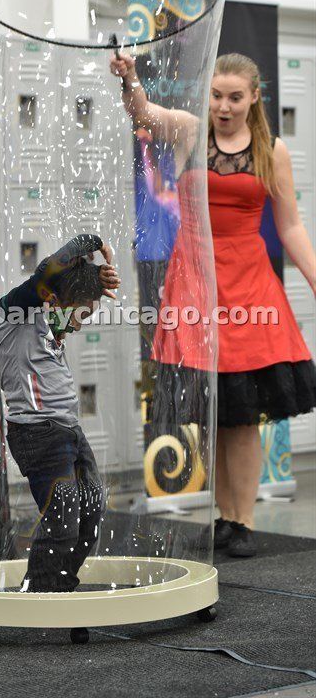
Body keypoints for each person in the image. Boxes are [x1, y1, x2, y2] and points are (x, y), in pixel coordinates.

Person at [110, 50, 316, 557]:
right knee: (215, 411)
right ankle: (224, 515)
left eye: (235, 97)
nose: (223, 106)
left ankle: (243, 519)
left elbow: (289, 225)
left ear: (253, 98)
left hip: (249, 288)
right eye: (217, 95)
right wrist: (130, 77)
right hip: (194, 283)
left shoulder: (273, 150)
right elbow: (143, 115)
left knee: (244, 416)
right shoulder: (188, 132)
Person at [0, 234, 120, 591]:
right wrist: (94, 244)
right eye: (79, 313)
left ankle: (59, 585)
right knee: (62, 517)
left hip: (68, 431)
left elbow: (66, 280)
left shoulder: (52, 321)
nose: (80, 324)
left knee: (91, 511)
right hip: (37, 434)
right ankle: (41, 594)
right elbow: (49, 270)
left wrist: (96, 276)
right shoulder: (15, 313)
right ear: (50, 299)